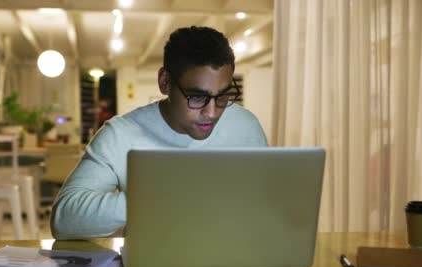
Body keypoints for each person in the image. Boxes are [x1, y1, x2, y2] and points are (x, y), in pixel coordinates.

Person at [51, 26, 268, 239]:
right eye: (196, 96)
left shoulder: (245, 125)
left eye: (222, 96)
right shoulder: (120, 135)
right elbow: (64, 219)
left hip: (237, 257)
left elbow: (268, 203)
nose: (211, 113)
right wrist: (160, 197)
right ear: (165, 82)